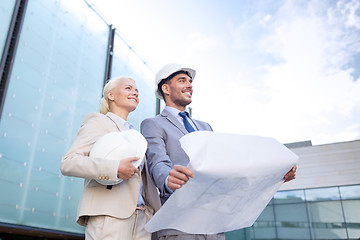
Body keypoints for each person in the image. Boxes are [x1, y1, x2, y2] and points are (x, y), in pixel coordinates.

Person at [140, 63, 297, 240]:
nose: (190, 85)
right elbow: (157, 162)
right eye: (182, 80)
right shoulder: (153, 124)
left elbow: (228, 166)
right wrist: (168, 178)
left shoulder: (205, 127)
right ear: (166, 88)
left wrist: (275, 175)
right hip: (180, 223)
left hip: (213, 222)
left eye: (190, 81)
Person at [61, 76, 161, 240]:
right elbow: (69, 163)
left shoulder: (136, 135)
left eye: (137, 91)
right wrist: (114, 169)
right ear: (111, 95)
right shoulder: (98, 121)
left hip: (142, 219)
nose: (134, 93)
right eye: (128, 88)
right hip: (110, 216)